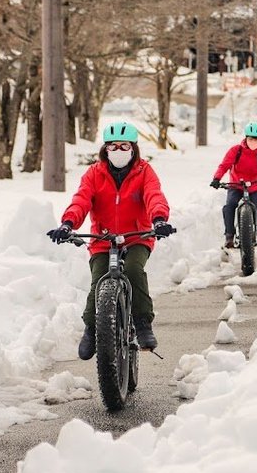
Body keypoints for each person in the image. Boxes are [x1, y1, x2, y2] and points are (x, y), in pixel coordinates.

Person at [47, 122, 173, 360]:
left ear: (133, 148)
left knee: (135, 271)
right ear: (105, 149)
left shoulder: (144, 171)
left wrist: (158, 220)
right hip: (102, 238)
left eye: (124, 146)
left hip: (137, 236)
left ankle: (143, 323)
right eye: (113, 146)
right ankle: (91, 329)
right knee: (99, 279)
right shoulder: (94, 173)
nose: (118, 151)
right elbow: (81, 199)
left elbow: (154, 195)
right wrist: (68, 223)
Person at [210, 122, 257, 249]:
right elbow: (224, 165)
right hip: (235, 185)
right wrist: (217, 178)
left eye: (256, 139)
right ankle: (229, 235)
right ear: (246, 138)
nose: (253, 142)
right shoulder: (236, 150)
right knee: (229, 206)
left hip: (254, 186)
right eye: (251, 138)